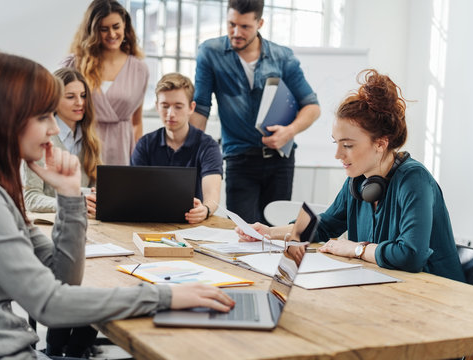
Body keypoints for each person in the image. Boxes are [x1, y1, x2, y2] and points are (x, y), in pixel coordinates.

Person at [0, 51, 234, 359]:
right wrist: (164, 295)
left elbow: (64, 279)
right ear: (3, 119)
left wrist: (69, 196)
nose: (53, 129)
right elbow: (50, 305)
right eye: (43, 116)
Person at [237, 69, 466, 282]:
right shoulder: (358, 180)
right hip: (387, 288)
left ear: (380, 143)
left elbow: (410, 255)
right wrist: (269, 233)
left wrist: (357, 249)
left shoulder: (414, 181)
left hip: (436, 297)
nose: (338, 154)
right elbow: (324, 226)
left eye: (347, 145)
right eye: (336, 143)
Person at [190, 0, 321, 224]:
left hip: (280, 160)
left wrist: (289, 131)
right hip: (238, 158)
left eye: (245, 27)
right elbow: (201, 107)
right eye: (231, 24)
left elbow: (312, 106)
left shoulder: (282, 57)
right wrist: (191, 156)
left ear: (260, 23)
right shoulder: (210, 53)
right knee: (242, 233)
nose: (236, 32)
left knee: (277, 232)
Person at [63, 0, 148, 165]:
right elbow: (59, 111)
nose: (112, 34)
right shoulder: (74, 64)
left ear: (125, 26)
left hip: (121, 150)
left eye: (116, 26)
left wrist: (139, 163)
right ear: (93, 31)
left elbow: (136, 122)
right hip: (83, 145)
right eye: (104, 29)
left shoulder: (139, 70)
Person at [131, 73, 222, 224]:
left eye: (178, 107)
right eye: (165, 106)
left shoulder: (208, 146)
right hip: (150, 222)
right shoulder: (144, 144)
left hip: (193, 223)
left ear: (191, 108)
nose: (170, 114)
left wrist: (205, 209)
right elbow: (134, 191)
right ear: (157, 106)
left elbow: (212, 192)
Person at [23, 68, 100, 219]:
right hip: (48, 223)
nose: (80, 102)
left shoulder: (90, 140)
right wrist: (72, 203)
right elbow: (30, 197)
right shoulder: (39, 139)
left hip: (84, 223)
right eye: (70, 97)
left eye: (83, 96)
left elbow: (90, 190)